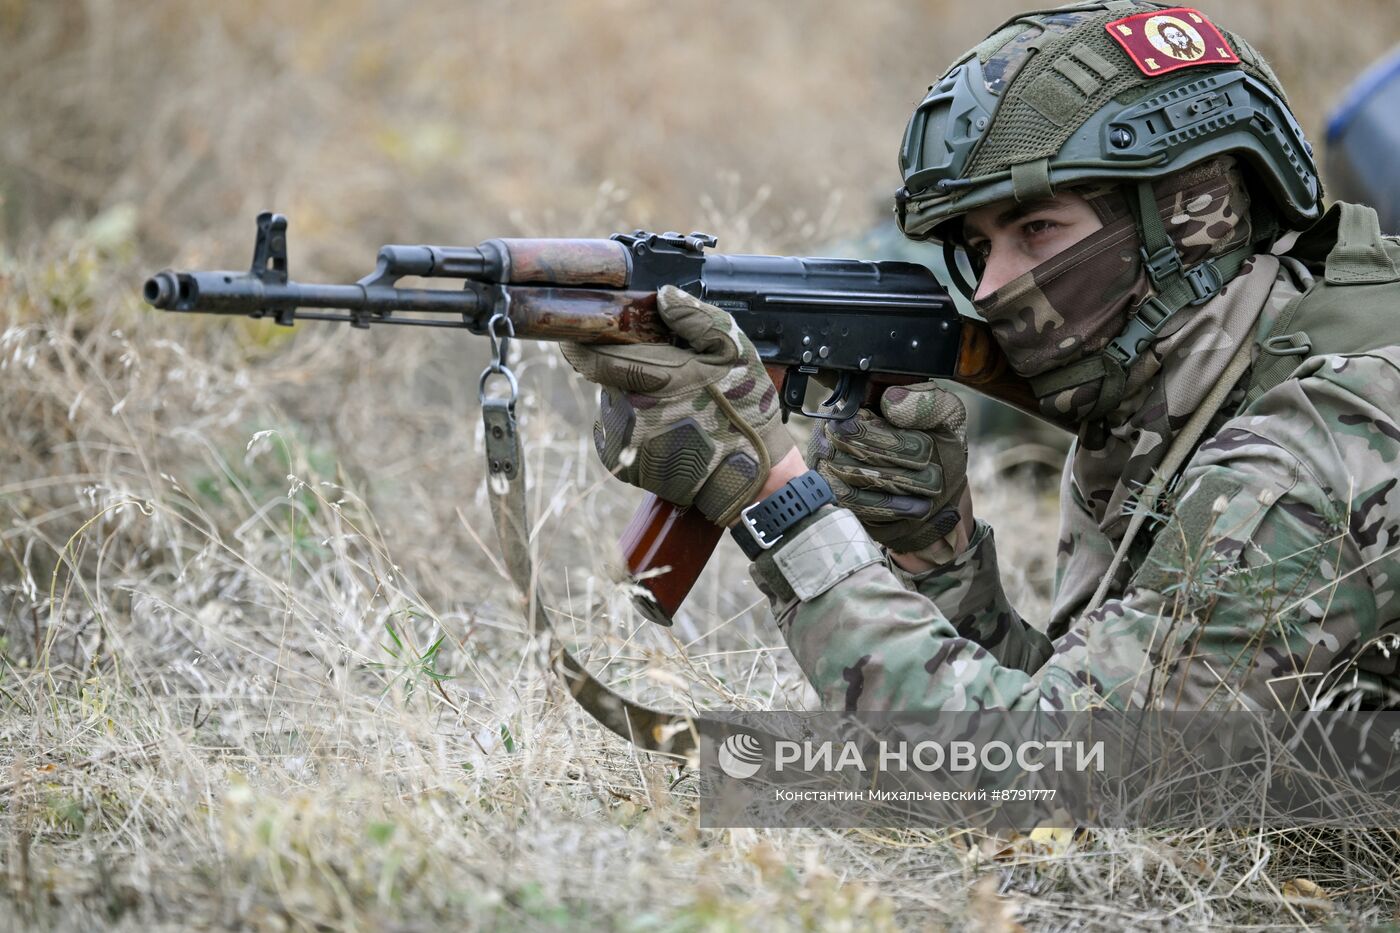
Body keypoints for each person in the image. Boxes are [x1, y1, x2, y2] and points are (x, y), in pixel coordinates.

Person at [562, 2, 1400, 713]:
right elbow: (1083, 705)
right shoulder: (1168, 401)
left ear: (1193, 220)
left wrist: (780, 502)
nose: (993, 285)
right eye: (976, 245)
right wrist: (936, 552)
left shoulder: (1328, 436)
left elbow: (1064, 781)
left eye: (1037, 229)